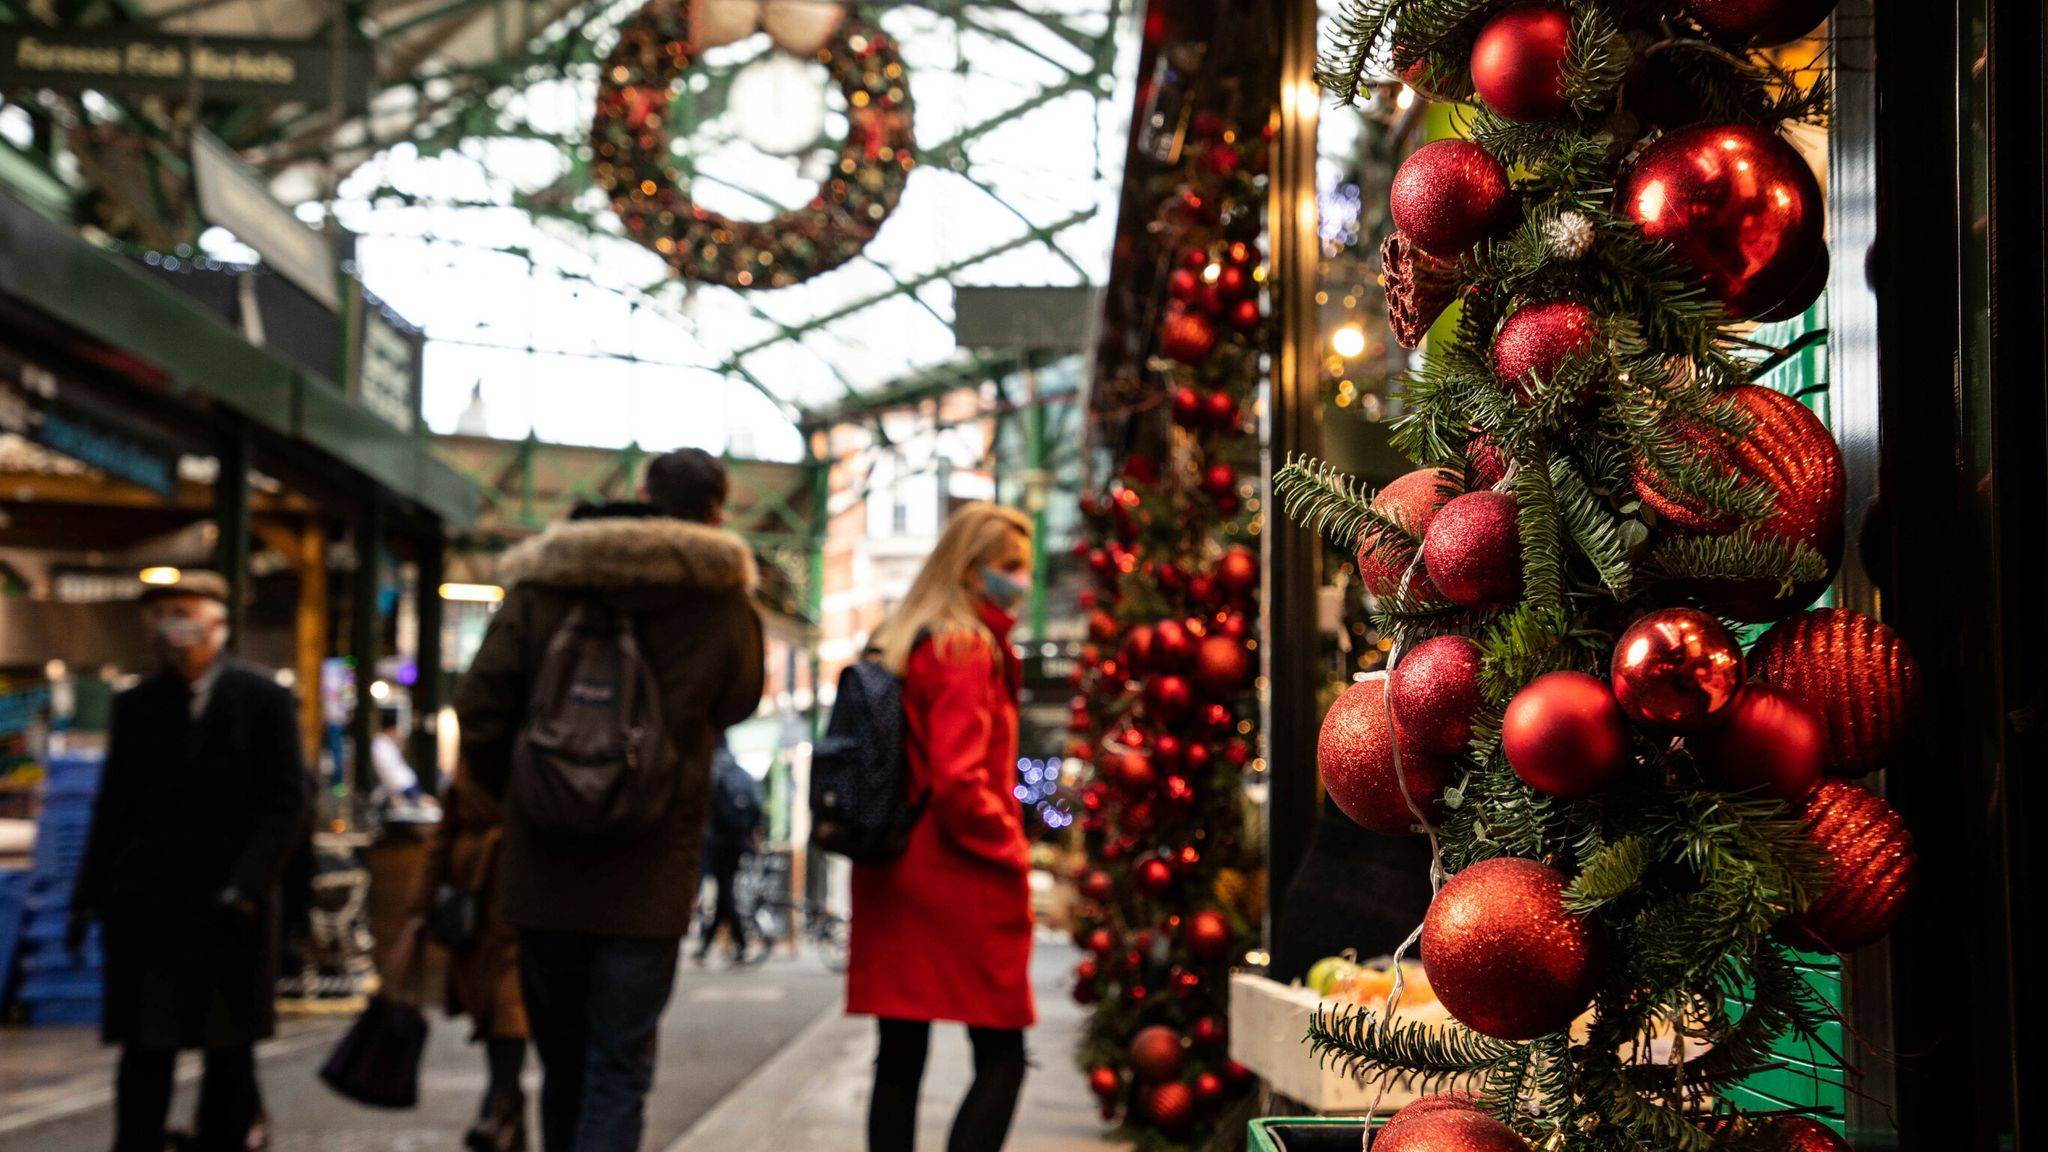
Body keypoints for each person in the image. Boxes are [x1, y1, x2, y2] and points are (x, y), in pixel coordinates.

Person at [455, 447, 765, 1152]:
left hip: (544, 868)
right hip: (649, 870)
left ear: (644, 493)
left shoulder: (549, 581)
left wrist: (531, 794)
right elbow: (740, 700)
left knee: (561, 1065)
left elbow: (479, 706)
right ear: (717, 511)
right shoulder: (720, 600)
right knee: (618, 1068)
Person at [68, 570, 311, 1152]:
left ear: (218, 623)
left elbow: (288, 804)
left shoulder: (265, 702)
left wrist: (249, 885)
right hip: (149, 911)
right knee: (144, 1058)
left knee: (229, 1059)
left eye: (184, 611)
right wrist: (88, 898)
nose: (173, 625)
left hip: (231, 914)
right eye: (163, 613)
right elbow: (113, 810)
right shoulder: (138, 707)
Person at [845, 502, 1037, 1152]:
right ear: (970, 567)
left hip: (898, 873)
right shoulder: (965, 648)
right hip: (957, 877)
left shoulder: (910, 640)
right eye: (1010, 566)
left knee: (898, 1055)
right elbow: (961, 782)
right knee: (1003, 1055)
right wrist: (1010, 848)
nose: (1021, 580)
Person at [407, 766, 528, 1152]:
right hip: (479, 900)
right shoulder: (472, 771)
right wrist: (419, 909)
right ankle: (506, 1107)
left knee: (508, 1003)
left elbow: (442, 839)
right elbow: (442, 838)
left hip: (511, 893)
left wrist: (420, 908)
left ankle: (500, 1101)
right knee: (498, 1006)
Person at [694, 739, 764, 966]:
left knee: (725, 894)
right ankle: (713, 944)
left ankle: (733, 943)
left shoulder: (712, 771)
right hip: (737, 843)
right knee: (726, 893)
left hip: (716, 844)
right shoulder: (741, 774)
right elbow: (757, 808)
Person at [370, 713, 440, 821]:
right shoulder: (380, 745)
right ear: (392, 729)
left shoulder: (387, 744)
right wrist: (398, 794)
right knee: (430, 808)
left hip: (407, 785)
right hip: (403, 787)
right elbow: (389, 772)